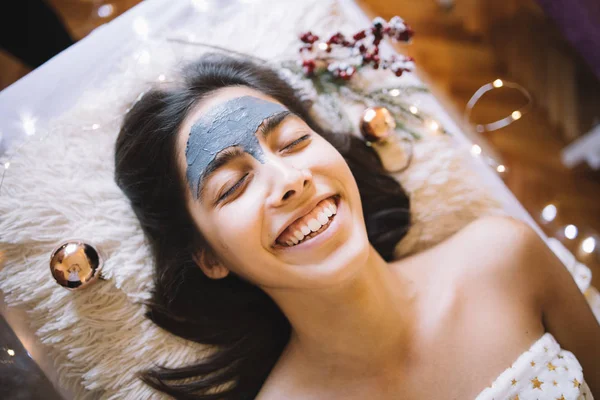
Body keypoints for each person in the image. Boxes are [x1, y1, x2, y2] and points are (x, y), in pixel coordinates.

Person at [114, 53, 599, 399]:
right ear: (208, 257)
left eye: (291, 142)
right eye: (234, 185)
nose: (289, 179)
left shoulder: (504, 258)